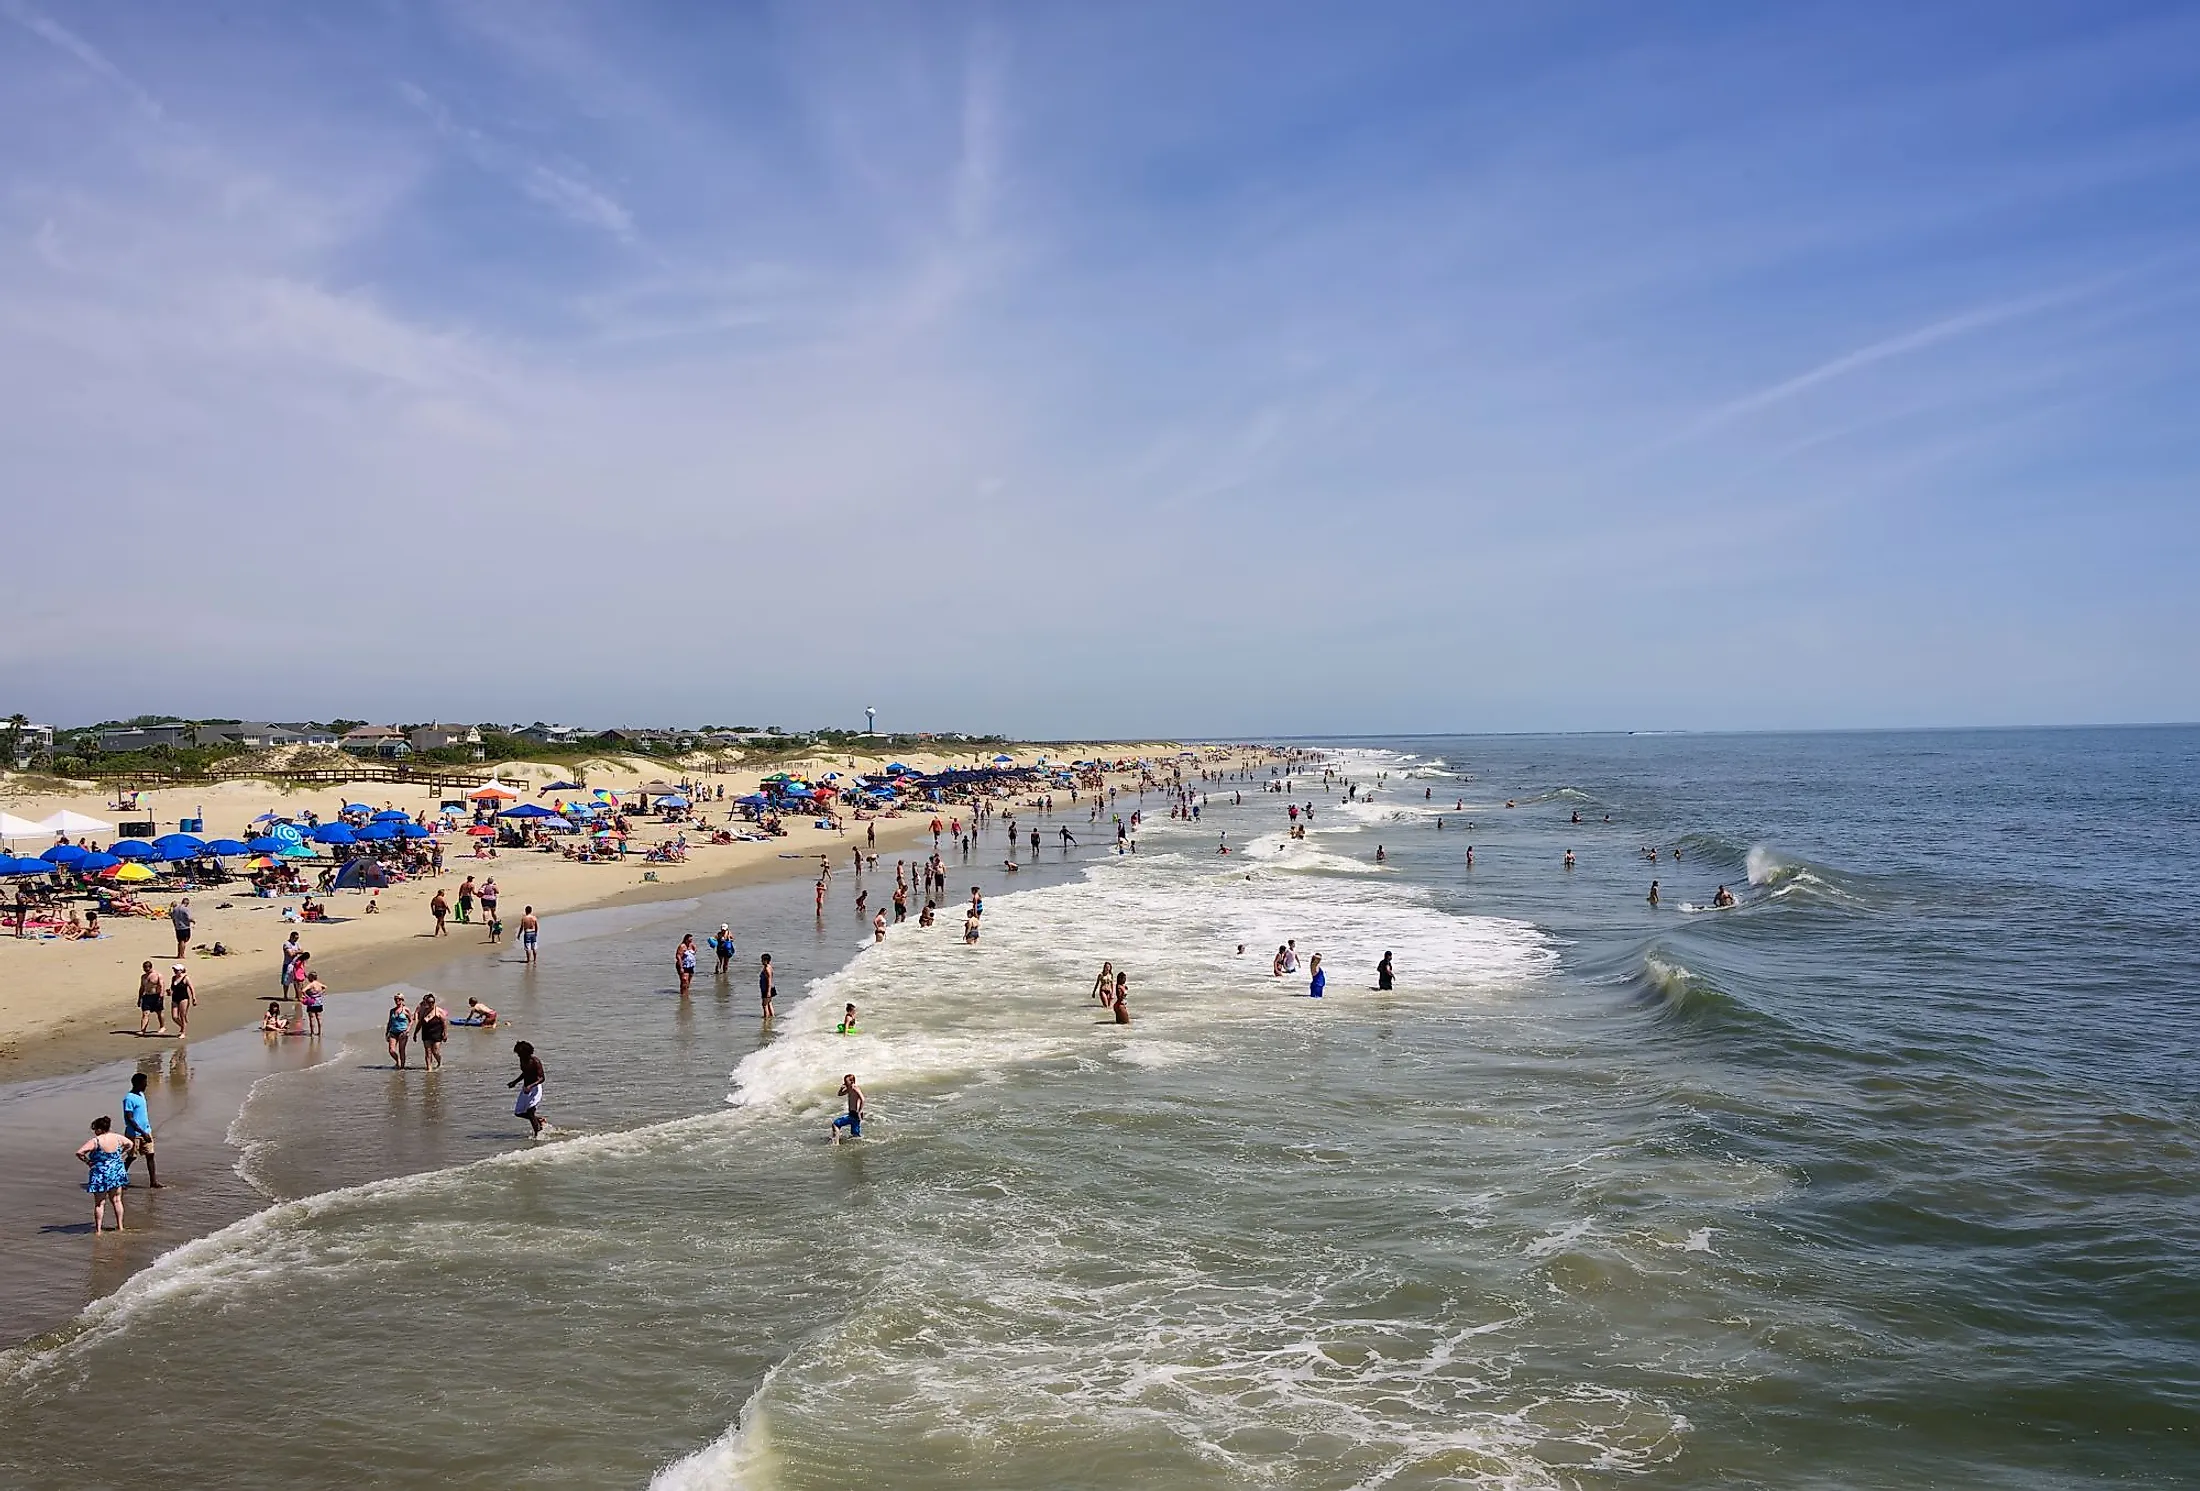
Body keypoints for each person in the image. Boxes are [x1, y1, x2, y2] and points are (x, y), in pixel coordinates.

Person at [79, 1117, 134, 1233]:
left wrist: (88, 1162)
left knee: (99, 1203)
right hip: (116, 1172)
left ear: (99, 1129)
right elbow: (130, 1143)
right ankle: (120, 1226)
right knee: (117, 1200)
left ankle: (98, 1230)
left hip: (101, 1173)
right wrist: (121, 1154)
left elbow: (80, 1152)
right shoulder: (118, 1137)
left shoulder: (96, 1141)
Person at [122, 1072, 163, 1189]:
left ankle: (153, 1182)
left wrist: (146, 1131)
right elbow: (129, 1118)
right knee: (131, 1157)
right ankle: (120, 1178)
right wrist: (142, 1132)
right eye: (145, 1083)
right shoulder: (129, 1098)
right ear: (138, 1084)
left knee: (150, 1155)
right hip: (134, 1134)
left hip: (146, 1130)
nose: (146, 1086)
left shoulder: (141, 1095)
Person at [508, 1041, 546, 1138]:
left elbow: (542, 1078)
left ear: (527, 1053)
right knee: (518, 1112)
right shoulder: (522, 1060)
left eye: (520, 1054)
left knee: (530, 1111)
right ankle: (539, 1120)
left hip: (535, 1089)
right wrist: (515, 1082)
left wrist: (531, 1086)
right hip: (525, 1088)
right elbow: (525, 1073)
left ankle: (537, 1135)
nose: (518, 1056)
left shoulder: (535, 1061)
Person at [135, 961, 167, 1037]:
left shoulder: (157, 975)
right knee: (145, 1013)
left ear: (150, 967)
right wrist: (139, 998)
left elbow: (162, 985)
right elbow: (142, 988)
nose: (146, 970)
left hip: (156, 996)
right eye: (144, 968)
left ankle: (162, 1026)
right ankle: (143, 1030)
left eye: (147, 969)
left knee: (159, 1012)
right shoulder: (143, 977)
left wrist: (161, 996)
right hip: (147, 996)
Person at [417, 994, 448, 1071]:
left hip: (437, 1032)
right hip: (426, 1032)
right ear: (426, 1002)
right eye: (429, 1002)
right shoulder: (423, 1011)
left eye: (432, 1002)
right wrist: (415, 1033)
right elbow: (420, 1023)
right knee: (428, 1052)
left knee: (435, 1051)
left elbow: (444, 1022)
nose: (431, 1004)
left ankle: (439, 1062)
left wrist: (445, 1033)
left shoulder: (439, 1011)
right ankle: (429, 1069)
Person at [830, 1073, 864, 1141]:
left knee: (836, 1124)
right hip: (852, 1114)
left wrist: (860, 1111)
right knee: (855, 1136)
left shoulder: (855, 1088)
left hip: (855, 1114)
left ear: (851, 1081)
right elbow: (839, 1094)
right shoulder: (849, 1089)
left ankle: (836, 1143)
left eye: (846, 1081)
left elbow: (862, 1099)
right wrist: (841, 1089)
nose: (844, 1083)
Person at [385, 994, 413, 1068]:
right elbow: (389, 1022)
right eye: (396, 999)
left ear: (402, 1000)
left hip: (402, 1032)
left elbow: (411, 1020)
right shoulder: (392, 1011)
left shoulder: (406, 1009)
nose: (397, 1000)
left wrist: (408, 1030)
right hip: (393, 1032)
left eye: (399, 999)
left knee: (401, 1050)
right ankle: (398, 1061)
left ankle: (402, 1067)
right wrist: (387, 1033)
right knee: (391, 1050)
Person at [168, 963, 195, 1038]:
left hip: (184, 998)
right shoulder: (173, 978)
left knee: (182, 1015)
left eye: (176, 970)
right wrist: (170, 991)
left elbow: (191, 988)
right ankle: (183, 1026)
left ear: (181, 970)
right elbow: (172, 988)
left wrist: (193, 998)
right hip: (175, 998)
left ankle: (183, 1032)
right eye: (174, 970)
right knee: (174, 1017)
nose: (175, 971)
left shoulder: (186, 978)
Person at [298, 969, 326, 1036]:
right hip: (319, 1002)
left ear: (311, 978)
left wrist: (307, 996)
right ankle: (320, 1032)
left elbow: (303, 991)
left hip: (312, 1002)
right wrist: (320, 994)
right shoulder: (318, 983)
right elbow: (325, 987)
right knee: (319, 1017)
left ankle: (312, 1033)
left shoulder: (311, 984)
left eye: (309, 977)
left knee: (312, 1018)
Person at [758, 953, 776, 1020]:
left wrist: (768, 992)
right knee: (769, 1003)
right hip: (769, 988)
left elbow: (769, 980)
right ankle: (772, 1017)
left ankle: (766, 1019)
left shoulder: (767, 969)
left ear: (766, 960)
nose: (761, 961)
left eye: (762, 960)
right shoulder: (768, 967)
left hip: (767, 988)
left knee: (764, 1005)